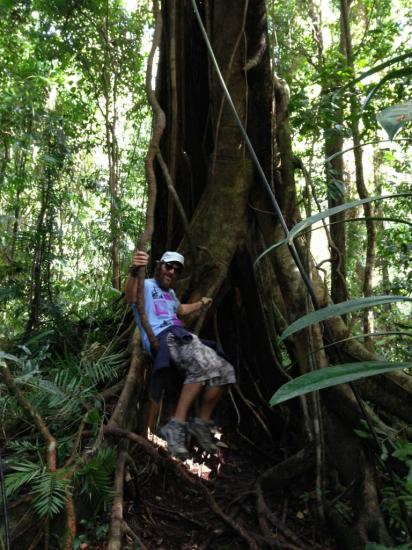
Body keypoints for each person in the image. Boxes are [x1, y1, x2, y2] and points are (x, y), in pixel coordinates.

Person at [125, 250, 236, 460]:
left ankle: (201, 425)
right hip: (164, 337)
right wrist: (133, 271)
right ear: (160, 266)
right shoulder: (146, 285)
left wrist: (202, 303)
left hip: (182, 335)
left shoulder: (171, 294)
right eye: (169, 266)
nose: (172, 272)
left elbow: (181, 310)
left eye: (177, 270)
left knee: (225, 370)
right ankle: (175, 426)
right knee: (202, 364)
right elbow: (130, 297)